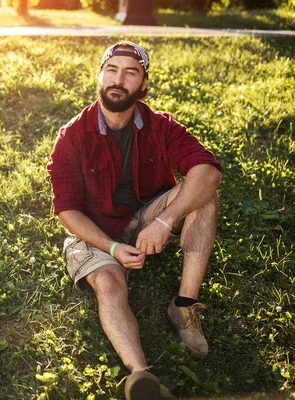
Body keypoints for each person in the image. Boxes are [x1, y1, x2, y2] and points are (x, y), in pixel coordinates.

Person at [46, 41, 222, 400]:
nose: (118, 79)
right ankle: (142, 377)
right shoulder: (72, 137)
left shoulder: (160, 126)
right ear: (99, 76)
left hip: (147, 219)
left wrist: (166, 220)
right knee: (109, 283)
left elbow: (207, 170)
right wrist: (111, 247)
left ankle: (184, 308)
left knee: (204, 194)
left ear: (143, 85)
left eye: (130, 72)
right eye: (111, 70)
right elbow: (67, 211)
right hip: (97, 231)